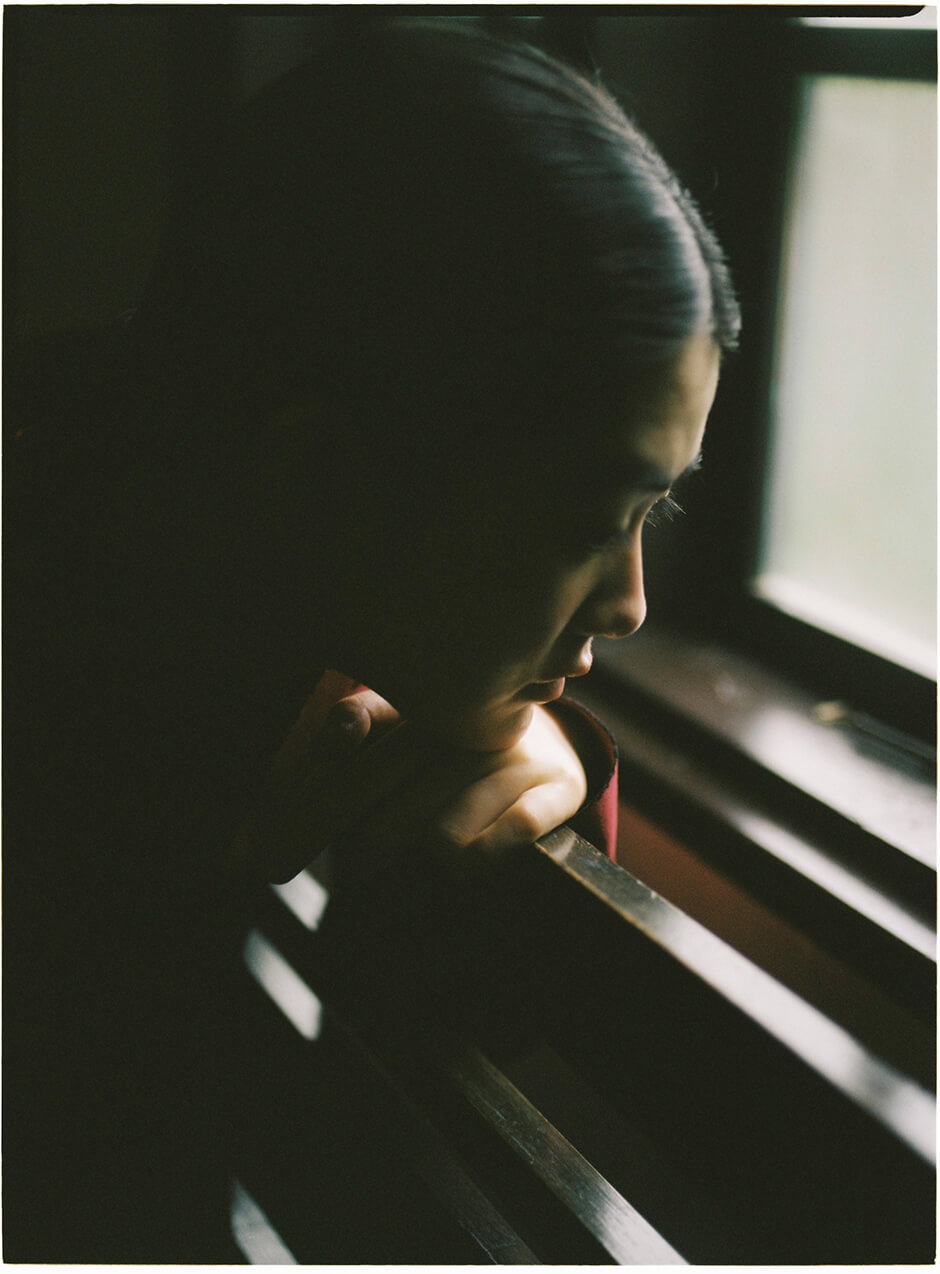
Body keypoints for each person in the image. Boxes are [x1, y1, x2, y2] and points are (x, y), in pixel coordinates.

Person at [5, 17, 739, 1261]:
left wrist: (547, 750)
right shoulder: (78, 753)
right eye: (587, 520)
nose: (629, 603)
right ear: (325, 479)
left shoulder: (140, 564)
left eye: (651, 513)